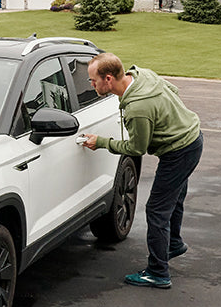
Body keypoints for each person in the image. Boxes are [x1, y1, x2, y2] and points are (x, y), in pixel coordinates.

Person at [80, 52, 203, 289]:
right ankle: (173, 244)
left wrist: (102, 142)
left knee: (157, 210)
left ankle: (158, 272)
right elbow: (173, 91)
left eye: (93, 80)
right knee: (173, 199)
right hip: (192, 138)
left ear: (108, 79)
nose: (91, 84)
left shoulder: (137, 108)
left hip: (179, 152)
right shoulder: (142, 74)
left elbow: (137, 148)